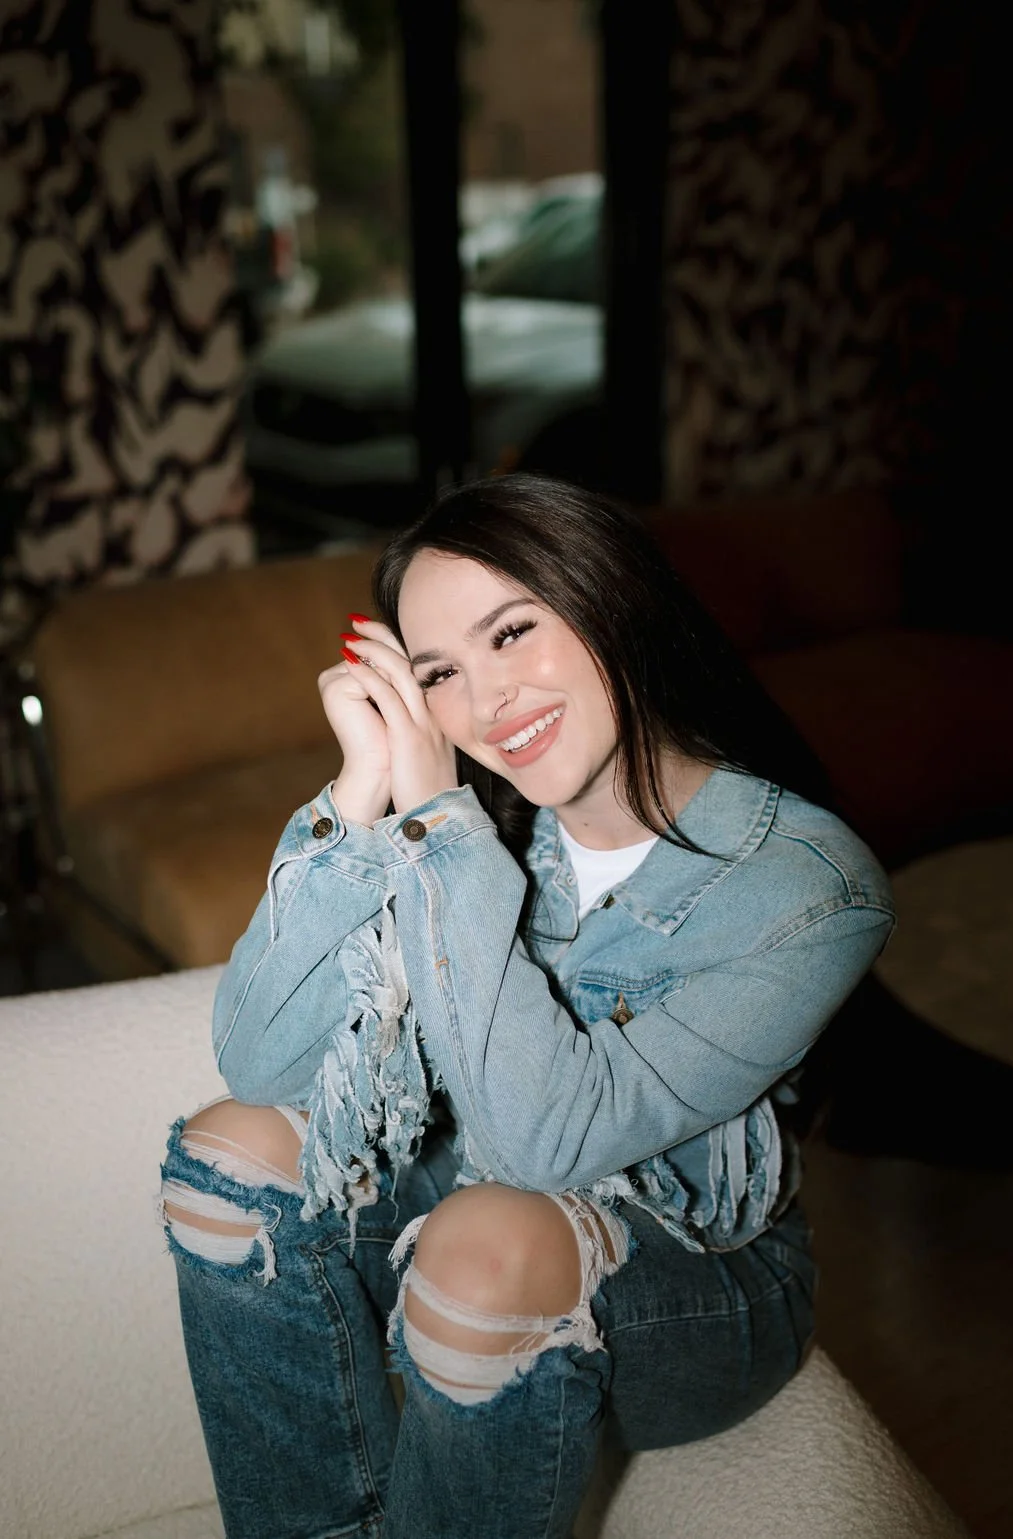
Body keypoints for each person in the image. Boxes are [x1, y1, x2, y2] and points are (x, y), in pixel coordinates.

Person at [160, 474, 895, 1539]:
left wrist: (438, 825)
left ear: (611, 601)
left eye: (512, 632)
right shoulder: (478, 828)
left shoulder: (807, 886)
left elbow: (541, 1144)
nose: (490, 700)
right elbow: (261, 1064)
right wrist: (359, 796)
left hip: (691, 1290)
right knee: (227, 1158)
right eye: (442, 673)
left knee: (484, 1243)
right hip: (465, 1206)